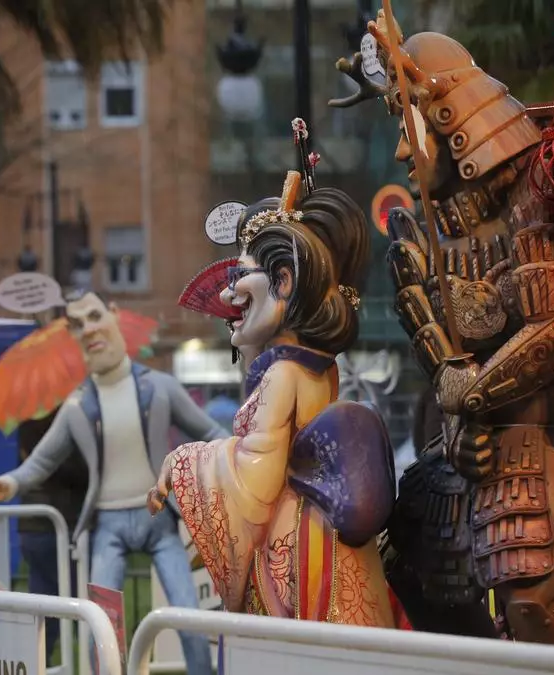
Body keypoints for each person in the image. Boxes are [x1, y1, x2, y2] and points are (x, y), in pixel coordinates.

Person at [149, 170, 400, 627]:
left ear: (283, 281)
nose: (226, 293)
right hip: (335, 547)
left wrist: (185, 461)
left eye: (240, 276)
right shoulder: (320, 367)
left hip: (298, 548)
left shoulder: (283, 374)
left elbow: (258, 476)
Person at [0, 289, 225, 675]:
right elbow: (42, 460)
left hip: (159, 518)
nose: (89, 329)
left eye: (94, 316)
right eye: (77, 324)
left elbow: (210, 432)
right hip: (107, 525)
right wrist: (8, 484)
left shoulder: (160, 387)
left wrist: (243, 455)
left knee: (189, 619)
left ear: (113, 313)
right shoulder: (77, 406)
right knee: (102, 629)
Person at [14, 408, 85, 663]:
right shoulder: (67, 422)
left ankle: (38, 663)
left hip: (32, 527)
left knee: (43, 608)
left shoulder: (26, 421)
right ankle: (98, 662)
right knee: (83, 607)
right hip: (62, 523)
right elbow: (77, 473)